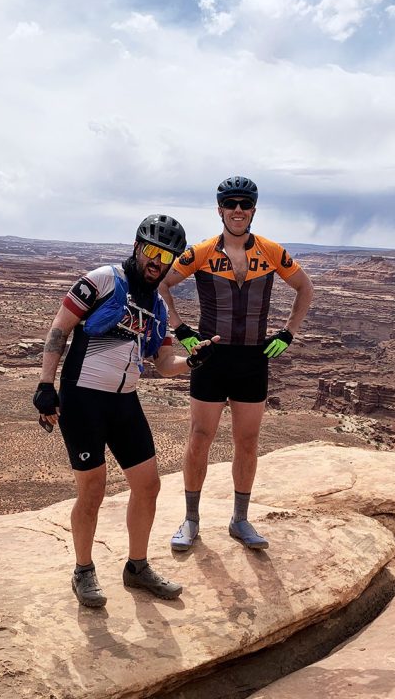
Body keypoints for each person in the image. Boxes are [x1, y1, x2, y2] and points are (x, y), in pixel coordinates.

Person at [33, 214, 219, 608]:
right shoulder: (101, 280)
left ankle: (136, 568)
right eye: (152, 251)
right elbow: (58, 330)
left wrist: (193, 362)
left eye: (166, 257)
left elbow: (164, 363)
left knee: (149, 485)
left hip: (124, 401)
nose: (157, 262)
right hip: (84, 399)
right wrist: (46, 384)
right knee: (93, 489)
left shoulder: (158, 307)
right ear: (137, 247)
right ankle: (83, 570)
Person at [160, 176, 314, 552]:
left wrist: (288, 333)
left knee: (247, 441)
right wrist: (181, 329)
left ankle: (240, 521)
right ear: (220, 210)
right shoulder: (200, 252)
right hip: (210, 356)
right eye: (231, 204)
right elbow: (162, 285)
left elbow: (305, 289)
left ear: (254, 210)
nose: (238, 211)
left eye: (245, 204)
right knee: (200, 438)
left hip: (252, 359)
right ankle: (191, 520)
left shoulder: (272, 251)